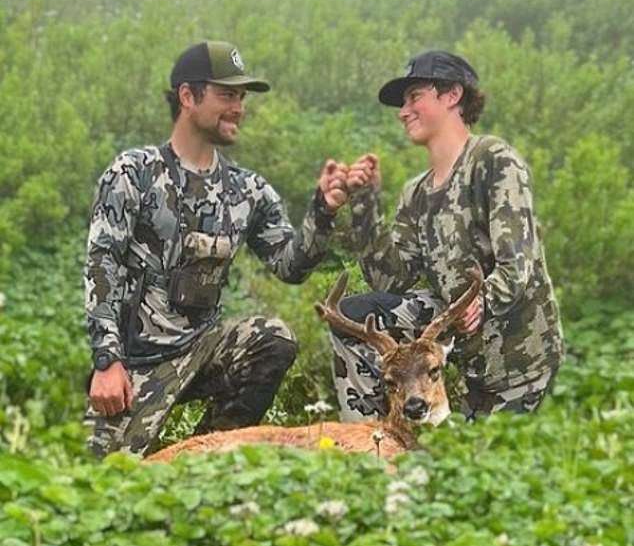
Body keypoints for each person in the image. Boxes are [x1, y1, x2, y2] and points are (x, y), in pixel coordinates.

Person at [84, 40, 348, 457]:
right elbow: (102, 265)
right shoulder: (133, 173)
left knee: (273, 338)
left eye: (242, 96)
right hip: (135, 366)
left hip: (204, 349)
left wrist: (323, 210)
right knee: (102, 484)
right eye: (227, 94)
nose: (239, 107)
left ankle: (211, 451)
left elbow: (289, 266)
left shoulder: (248, 190)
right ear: (188, 96)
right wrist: (106, 360)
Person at [332, 49, 564, 422]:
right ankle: (374, 442)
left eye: (414, 97)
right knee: (354, 313)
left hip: (521, 365)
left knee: (492, 471)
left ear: (452, 95)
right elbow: (391, 279)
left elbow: (517, 261)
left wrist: (482, 298)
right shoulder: (416, 193)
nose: (403, 111)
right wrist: (364, 204)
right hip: (468, 360)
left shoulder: (494, 160)